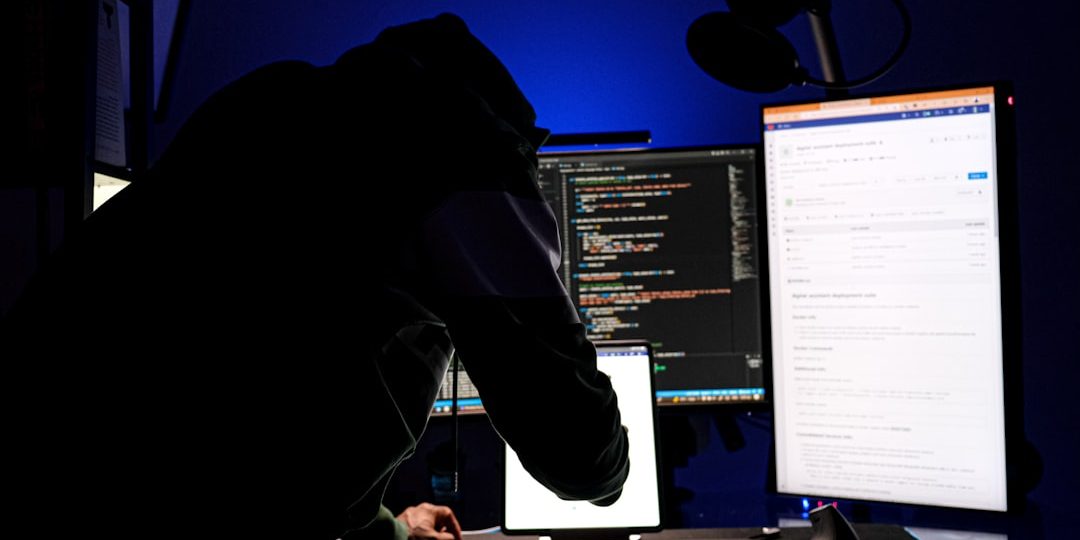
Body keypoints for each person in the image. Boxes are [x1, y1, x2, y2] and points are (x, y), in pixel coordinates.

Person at [3, 12, 629, 540]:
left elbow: (260, 432)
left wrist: (394, 528)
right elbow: (583, 458)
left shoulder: (273, 106)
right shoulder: (458, 145)